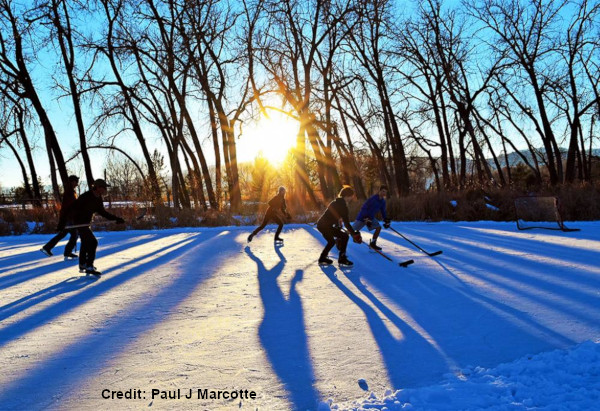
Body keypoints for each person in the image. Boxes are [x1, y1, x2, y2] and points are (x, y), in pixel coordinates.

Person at [72, 179, 124, 276]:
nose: (105, 190)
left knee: (85, 242)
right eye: (104, 188)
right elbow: (74, 208)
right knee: (93, 242)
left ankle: (83, 264)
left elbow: (103, 212)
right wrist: (72, 222)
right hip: (79, 223)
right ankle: (89, 266)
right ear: (98, 187)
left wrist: (117, 219)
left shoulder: (98, 198)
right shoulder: (86, 196)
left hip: (86, 223)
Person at [316, 186, 362, 267]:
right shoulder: (343, 206)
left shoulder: (335, 202)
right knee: (344, 236)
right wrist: (353, 234)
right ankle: (342, 258)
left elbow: (332, 215)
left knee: (331, 241)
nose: (351, 198)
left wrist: (337, 226)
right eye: (351, 196)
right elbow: (347, 223)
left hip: (321, 225)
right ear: (347, 196)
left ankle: (322, 258)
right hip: (325, 226)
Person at [41, 175, 80, 259]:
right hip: (68, 217)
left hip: (67, 217)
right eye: (76, 181)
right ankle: (67, 252)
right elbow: (71, 206)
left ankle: (48, 248)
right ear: (72, 182)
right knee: (74, 234)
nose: (77, 183)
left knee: (64, 234)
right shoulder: (69, 192)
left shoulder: (71, 191)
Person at [352, 185, 391, 251]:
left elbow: (383, 211)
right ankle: (339, 239)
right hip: (362, 217)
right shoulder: (373, 199)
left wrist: (385, 219)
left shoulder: (383, 201)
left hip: (371, 218)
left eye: (385, 192)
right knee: (351, 230)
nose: (384, 193)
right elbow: (364, 208)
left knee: (378, 228)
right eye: (383, 191)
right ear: (379, 191)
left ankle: (373, 244)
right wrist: (366, 218)